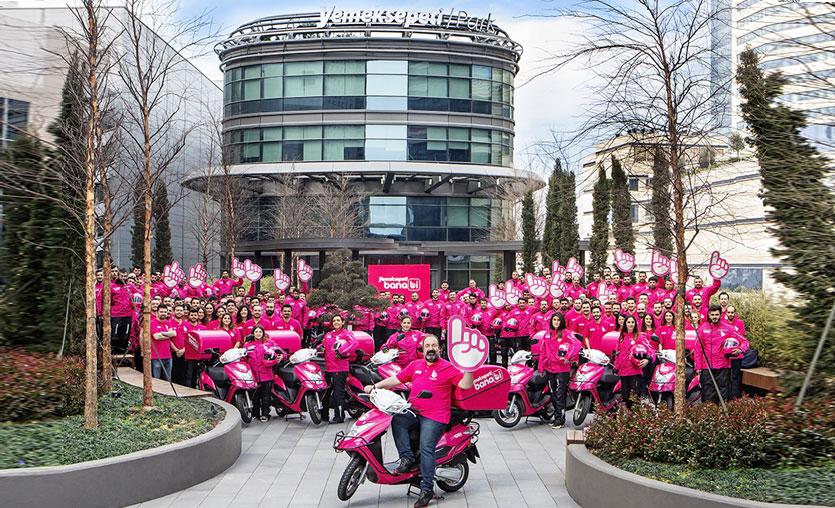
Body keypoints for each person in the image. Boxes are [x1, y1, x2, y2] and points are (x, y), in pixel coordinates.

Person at [363, 335, 474, 508]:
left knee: (426, 447)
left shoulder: (447, 367)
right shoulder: (416, 365)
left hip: (436, 416)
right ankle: (407, 459)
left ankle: (427, 489)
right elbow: (397, 379)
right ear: (422, 350)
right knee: (397, 419)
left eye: (434, 345)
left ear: (439, 349)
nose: (431, 348)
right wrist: (376, 386)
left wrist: (470, 369)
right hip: (415, 411)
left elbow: (465, 385)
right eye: (427, 345)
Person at [695, 305, 748, 404]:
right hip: (707, 368)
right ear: (709, 315)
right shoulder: (702, 329)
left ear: (720, 315)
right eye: (712, 315)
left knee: (723, 395)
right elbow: (697, 350)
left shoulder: (729, 328)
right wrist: (698, 368)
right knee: (707, 394)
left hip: (723, 367)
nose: (714, 317)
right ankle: (708, 417)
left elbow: (744, 342)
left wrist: (740, 350)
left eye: (716, 314)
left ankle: (722, 416)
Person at [538, 313, 581, 428]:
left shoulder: (567, 333)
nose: (556, 322)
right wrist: (541, 367)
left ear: (561, 321)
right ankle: (557, 416)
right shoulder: (547, 334)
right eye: (554, 320)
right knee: (552, 393)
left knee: (560, 394)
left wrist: (568, 358)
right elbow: (542, 352)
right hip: (549, 369)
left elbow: (577, 344)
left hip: (562, 369)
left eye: (558, 320)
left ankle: (560, 419)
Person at [321, 315, 358, 424]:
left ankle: (339, 416)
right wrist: (318, 349)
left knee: (338, 393)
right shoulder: (328, 335)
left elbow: (354, 343)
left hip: (340, 368)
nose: (336, 322)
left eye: (338, 320)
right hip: (328, 368)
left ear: (342, 322)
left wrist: (340, 351)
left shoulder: (346, 333)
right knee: (325, 393)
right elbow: (323, 346)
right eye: (334, 321)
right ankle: (324, 415)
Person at [614, 315, 653, 409]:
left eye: (632, 322)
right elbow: (618, 353)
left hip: (634, 371)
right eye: (628, 322)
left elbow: (650, 350)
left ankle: (636, 418)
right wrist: (615, 367)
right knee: (625, 396)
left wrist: (647, 359)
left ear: (635, 324)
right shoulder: (622, 336)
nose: (630, 324)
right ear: (625, 324)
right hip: (623, 371)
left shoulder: (639, 337)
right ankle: (630, 417)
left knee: (634, 396)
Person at [247, 326, 280, 422]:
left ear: (263, 333)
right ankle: (255, 414)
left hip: (266, 374)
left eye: (260, 331)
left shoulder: (270, 343)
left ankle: (265, 414)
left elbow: (281, 353)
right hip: (253, 374)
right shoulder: (248, 345)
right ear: (253, 333)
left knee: (266, 395)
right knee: (255, 396)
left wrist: (279, 358)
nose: (258, 333)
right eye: (256, 331)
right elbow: (243, 358)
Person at [149, 306, 176, 381]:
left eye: (165, 312)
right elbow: (156, 337)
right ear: (157, 313)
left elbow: (174, 334)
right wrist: (168, 334)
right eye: (161, 312)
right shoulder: (152, 322)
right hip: (156, 356)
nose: (163, 314)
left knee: (167, 380)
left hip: (168, 356)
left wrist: (162, 333)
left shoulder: (168, 323)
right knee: (156, 380)